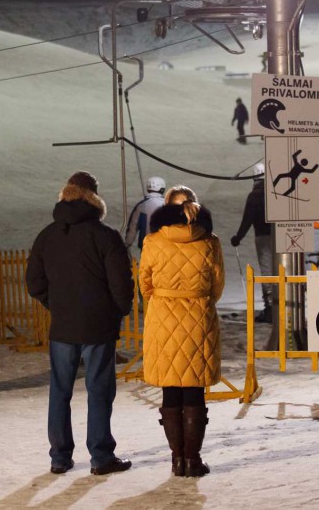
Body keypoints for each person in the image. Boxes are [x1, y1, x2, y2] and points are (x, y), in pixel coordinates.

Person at [25, 171, 134, 476]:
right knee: (99, 391)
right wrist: (117, 311)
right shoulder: (105, 236)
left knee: (60, 391)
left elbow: (34, 282)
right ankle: (100, 456)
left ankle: (59, 457)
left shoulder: (47, 235)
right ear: (93, 197)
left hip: (62, 327)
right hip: (98, 327)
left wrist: (56, 305)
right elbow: (121, 285)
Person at [140, 185, 224, 477]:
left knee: (170, 390)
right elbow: (217, 286)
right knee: (194, 389)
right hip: (198, 317)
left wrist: (165, 300)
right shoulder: (210, 241)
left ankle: (177, 460)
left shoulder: (153, 241)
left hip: (162, 317)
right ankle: (193, 460)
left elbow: (145, 284)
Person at [231, 162, 274, 323]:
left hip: (262, 237)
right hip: (280, 236)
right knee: (280, 270)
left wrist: (238, 237)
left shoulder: (254, 196)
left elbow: (247, 219)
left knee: (267, 271)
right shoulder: (275, 192)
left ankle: (269, 308)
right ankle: (283, 303)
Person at [123, 176, 166, 260]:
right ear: (162, 189)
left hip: (146, 246)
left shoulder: (141, 206)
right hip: (165, 245)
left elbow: (133, 227)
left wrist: (128, 243)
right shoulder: (168, 205)